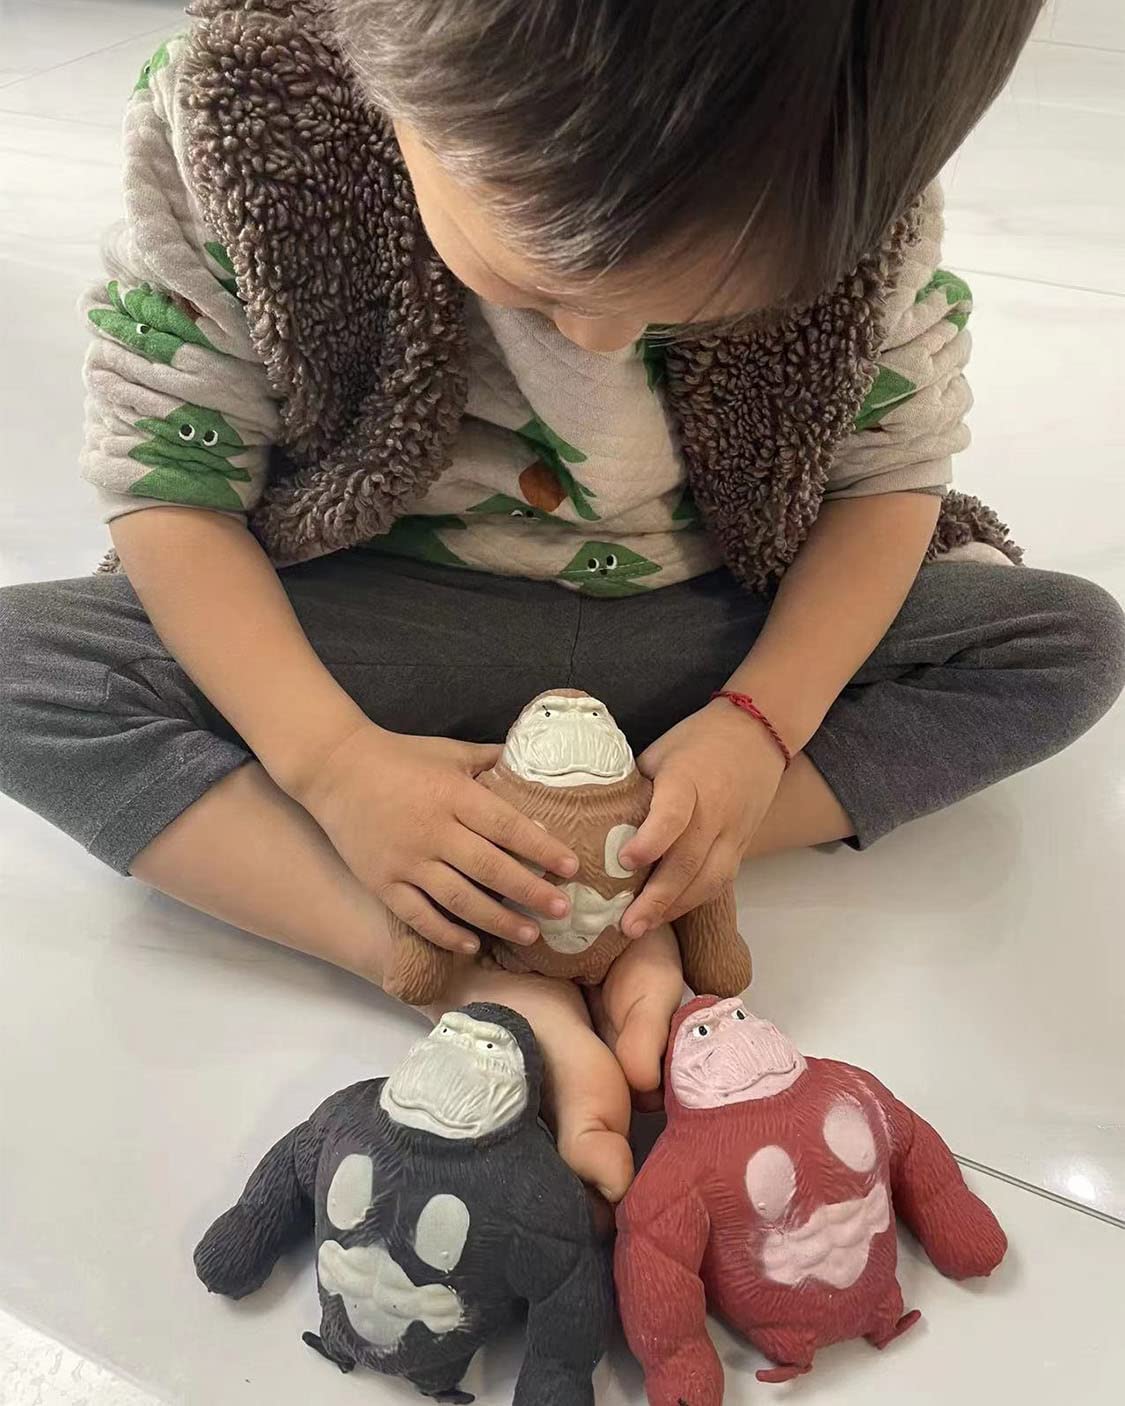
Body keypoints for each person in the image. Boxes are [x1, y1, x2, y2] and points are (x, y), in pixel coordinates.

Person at [0, 0, 1122, 1203]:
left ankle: (649, 868)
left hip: (698, 635)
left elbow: (888, 481)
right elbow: (169, 492)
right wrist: (331, 762)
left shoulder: (850, 170)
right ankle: (451, 948)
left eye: (709, 303)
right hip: (390, 634)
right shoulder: (245, 120)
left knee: (1061, 642)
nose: (601, 339)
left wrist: (758, 729)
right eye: (536, 284)